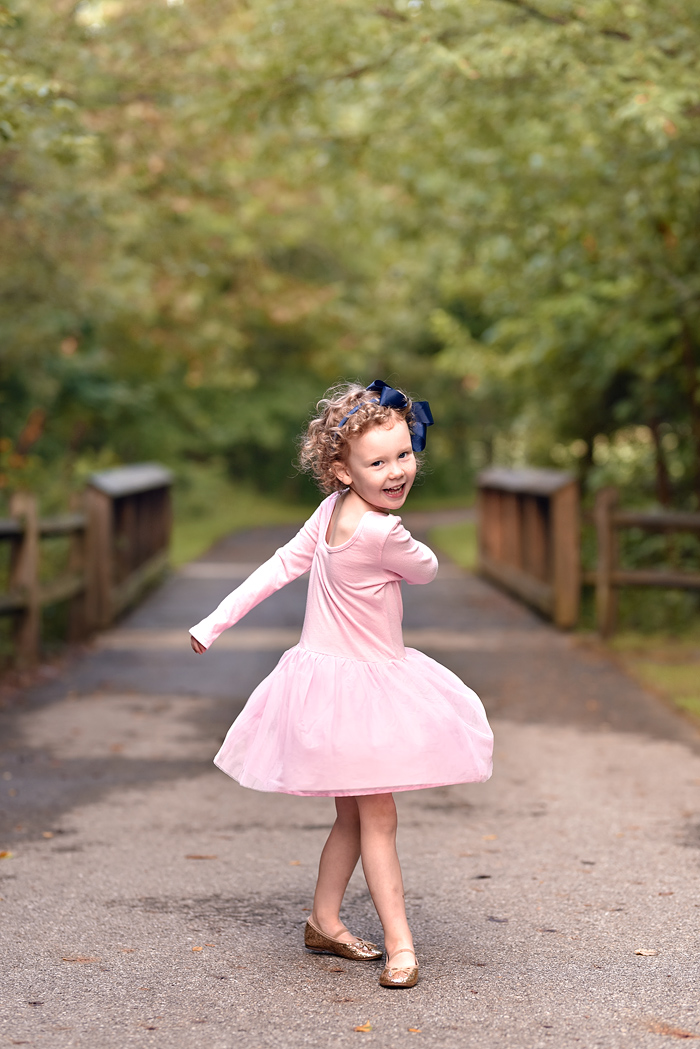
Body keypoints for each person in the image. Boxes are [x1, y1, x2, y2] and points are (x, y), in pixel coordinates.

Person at [189, 380, 494, 988]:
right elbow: (427, 569)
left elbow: (280, 566)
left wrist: (211, 622)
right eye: (377, 463)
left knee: (352, 818)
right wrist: (400, 535)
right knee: (378, 816)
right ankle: (401, 946)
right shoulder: (384, 533)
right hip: (365, 694)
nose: (396, 471)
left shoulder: (330, 511)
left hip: (324, 689)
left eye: (403, 454)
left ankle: (324, 921)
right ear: (341, 470)